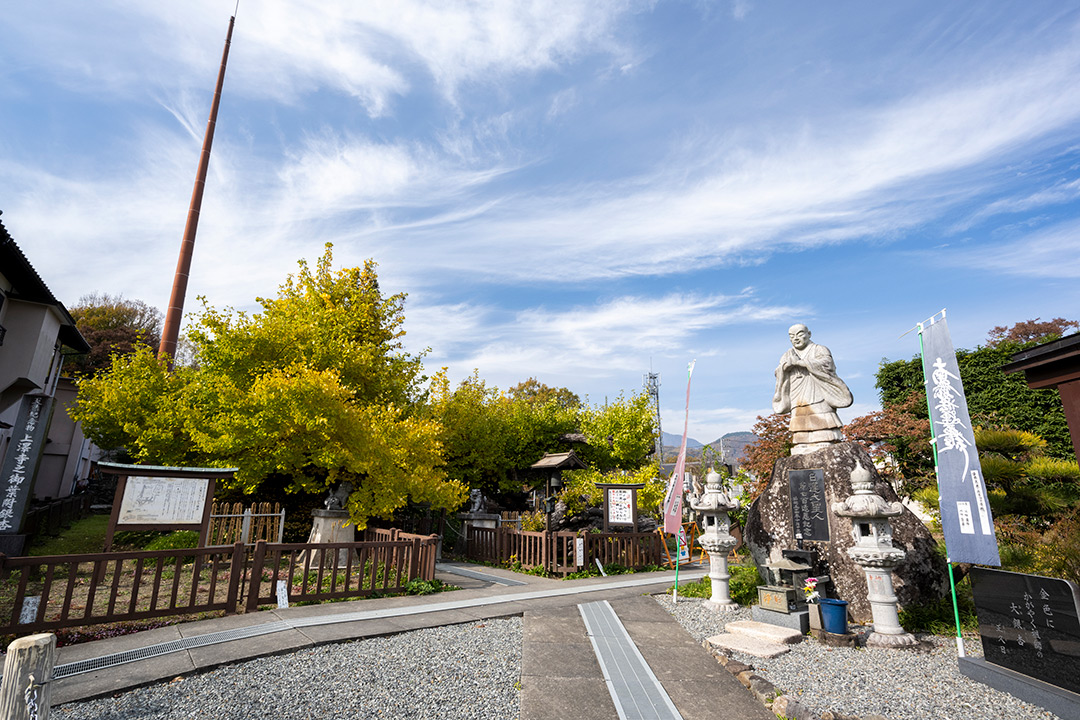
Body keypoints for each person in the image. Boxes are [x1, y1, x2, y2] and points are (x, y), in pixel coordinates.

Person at [773, 324, 852, 453]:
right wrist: (784, 368)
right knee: (799, 416)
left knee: (820, 413)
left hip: (817, 388)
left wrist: (801, 363)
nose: (796, 339)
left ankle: (824, 439)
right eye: (792, 336)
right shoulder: (787, 354)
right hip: (797, 392)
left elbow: (827, 364)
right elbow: (778, 371)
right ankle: (802, 442)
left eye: (799, 334)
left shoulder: (820, 349)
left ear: (809, 334)